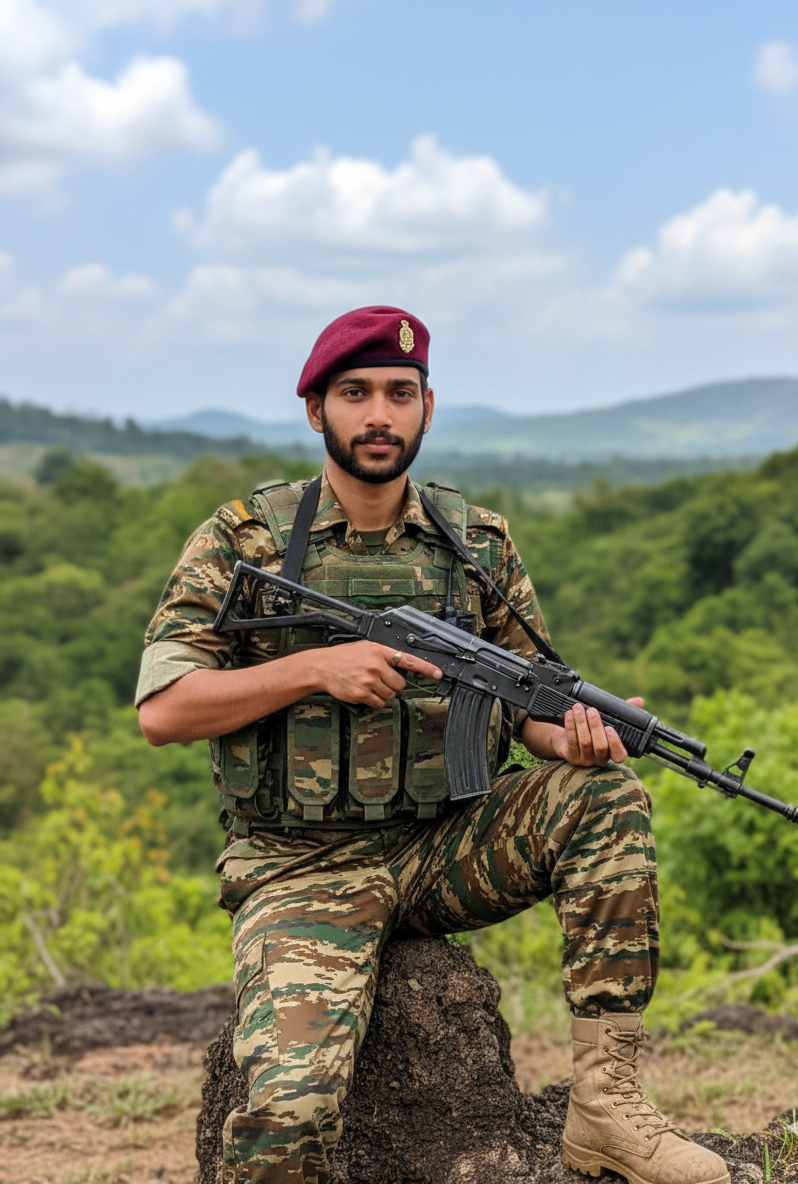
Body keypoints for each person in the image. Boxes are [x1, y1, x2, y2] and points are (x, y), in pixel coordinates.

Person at [136, 306, 729, 1184]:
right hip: (302, 865)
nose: (379, 414)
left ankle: (606, 1105)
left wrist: (575, 737)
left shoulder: (476, 543)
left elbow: (527, 705)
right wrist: (314, 668)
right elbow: (164, 710)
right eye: (356, 393)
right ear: (316, 409)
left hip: (444, 845)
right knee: (289, 1121)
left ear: (427, 408)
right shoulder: (244, 538)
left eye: (400, 394)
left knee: (607, 795)